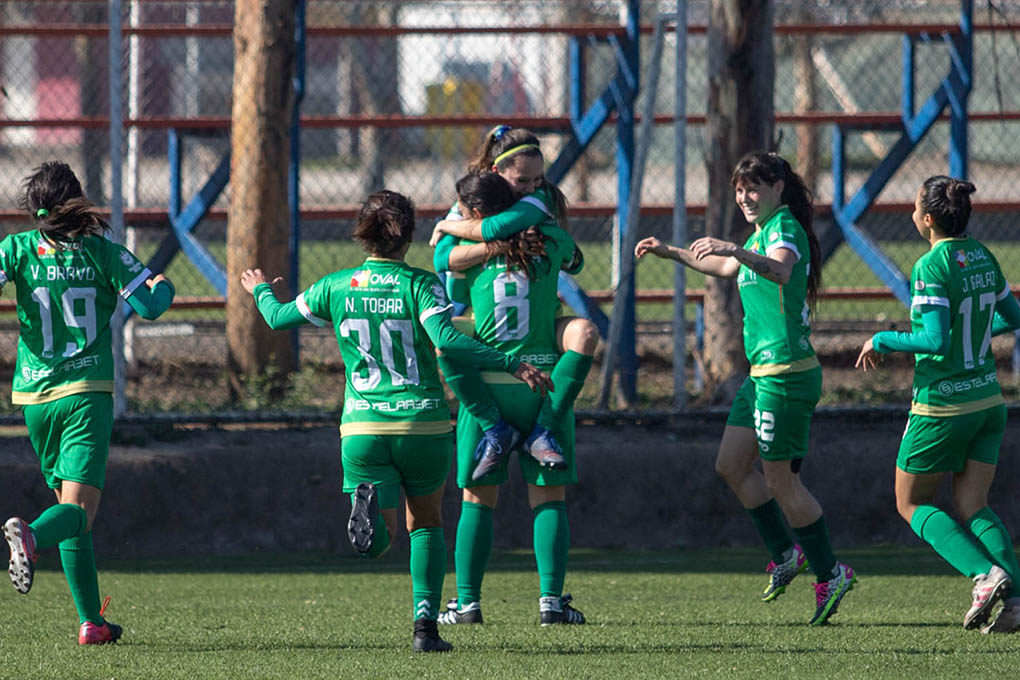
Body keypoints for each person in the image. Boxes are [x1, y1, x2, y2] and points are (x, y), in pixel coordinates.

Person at [240, 189, 552, 652]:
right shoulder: (422, 285)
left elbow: (279, 318)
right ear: (407, 236)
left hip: (363, 427)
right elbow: (446, 339)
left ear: (362, 235)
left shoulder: (336, 285)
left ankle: (368, 519)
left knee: (381, 542)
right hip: (421, 426)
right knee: (425, 523)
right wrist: (513, 363)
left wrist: (260, 288)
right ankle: (426, 628)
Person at [635, 151, 855, 626]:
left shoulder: (786, 231)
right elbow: (726, 270)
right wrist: (669, 251)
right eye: (739, 190)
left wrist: (734, 248)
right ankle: (784, 553)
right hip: (761, 378)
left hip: (787, 376)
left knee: (781, 482)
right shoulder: (760, 234)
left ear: (778, 186)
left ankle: (830, 571)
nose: (745, 198)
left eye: (753, 188)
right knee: (731, 465)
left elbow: (777, 269)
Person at [2, 161, 175, 645]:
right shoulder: (102, 252)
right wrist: (164, 285)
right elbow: (151, 307)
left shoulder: (15, 248)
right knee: (80, 511)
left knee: (70, 507)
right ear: (75, 199)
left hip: (35, 399)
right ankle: (31, 535)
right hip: (84, 396)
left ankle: (91, 623)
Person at [856, 176, 1020, 633]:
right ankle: (1016, 604)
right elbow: (1015, 318)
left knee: (910, 503)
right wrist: (978, 338)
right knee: (975, 504)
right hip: (988, 399)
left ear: (927, 219)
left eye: (913, 207)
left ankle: (986, 577)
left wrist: (881, 338)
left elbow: (932, 338)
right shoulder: (984, 257)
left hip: (942, 406)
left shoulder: (931, 265)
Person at [434, 171, 587, 627]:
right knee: (549, 498)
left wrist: (460, 237)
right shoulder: (551, 241)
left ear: (477, 215)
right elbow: (575, 260)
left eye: (463, 210)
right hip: (542, 385)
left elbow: (455, 289)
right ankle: (551, 604)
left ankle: (466, 604)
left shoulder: (466, 258)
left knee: (477, 501)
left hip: (488, 386)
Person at [429, 125, 598, 475]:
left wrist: (450, 228)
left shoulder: (541, 199)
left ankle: (544, 428)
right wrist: (491, 245)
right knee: (444, 340)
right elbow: (442, 260)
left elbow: (489, 231)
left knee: (585, 331)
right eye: (522, 181)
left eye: (537, 180)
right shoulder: (472, 197)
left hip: (538, 326)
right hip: (486, 322)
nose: (532, 187)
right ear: (497, 172)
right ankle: (493, 426)